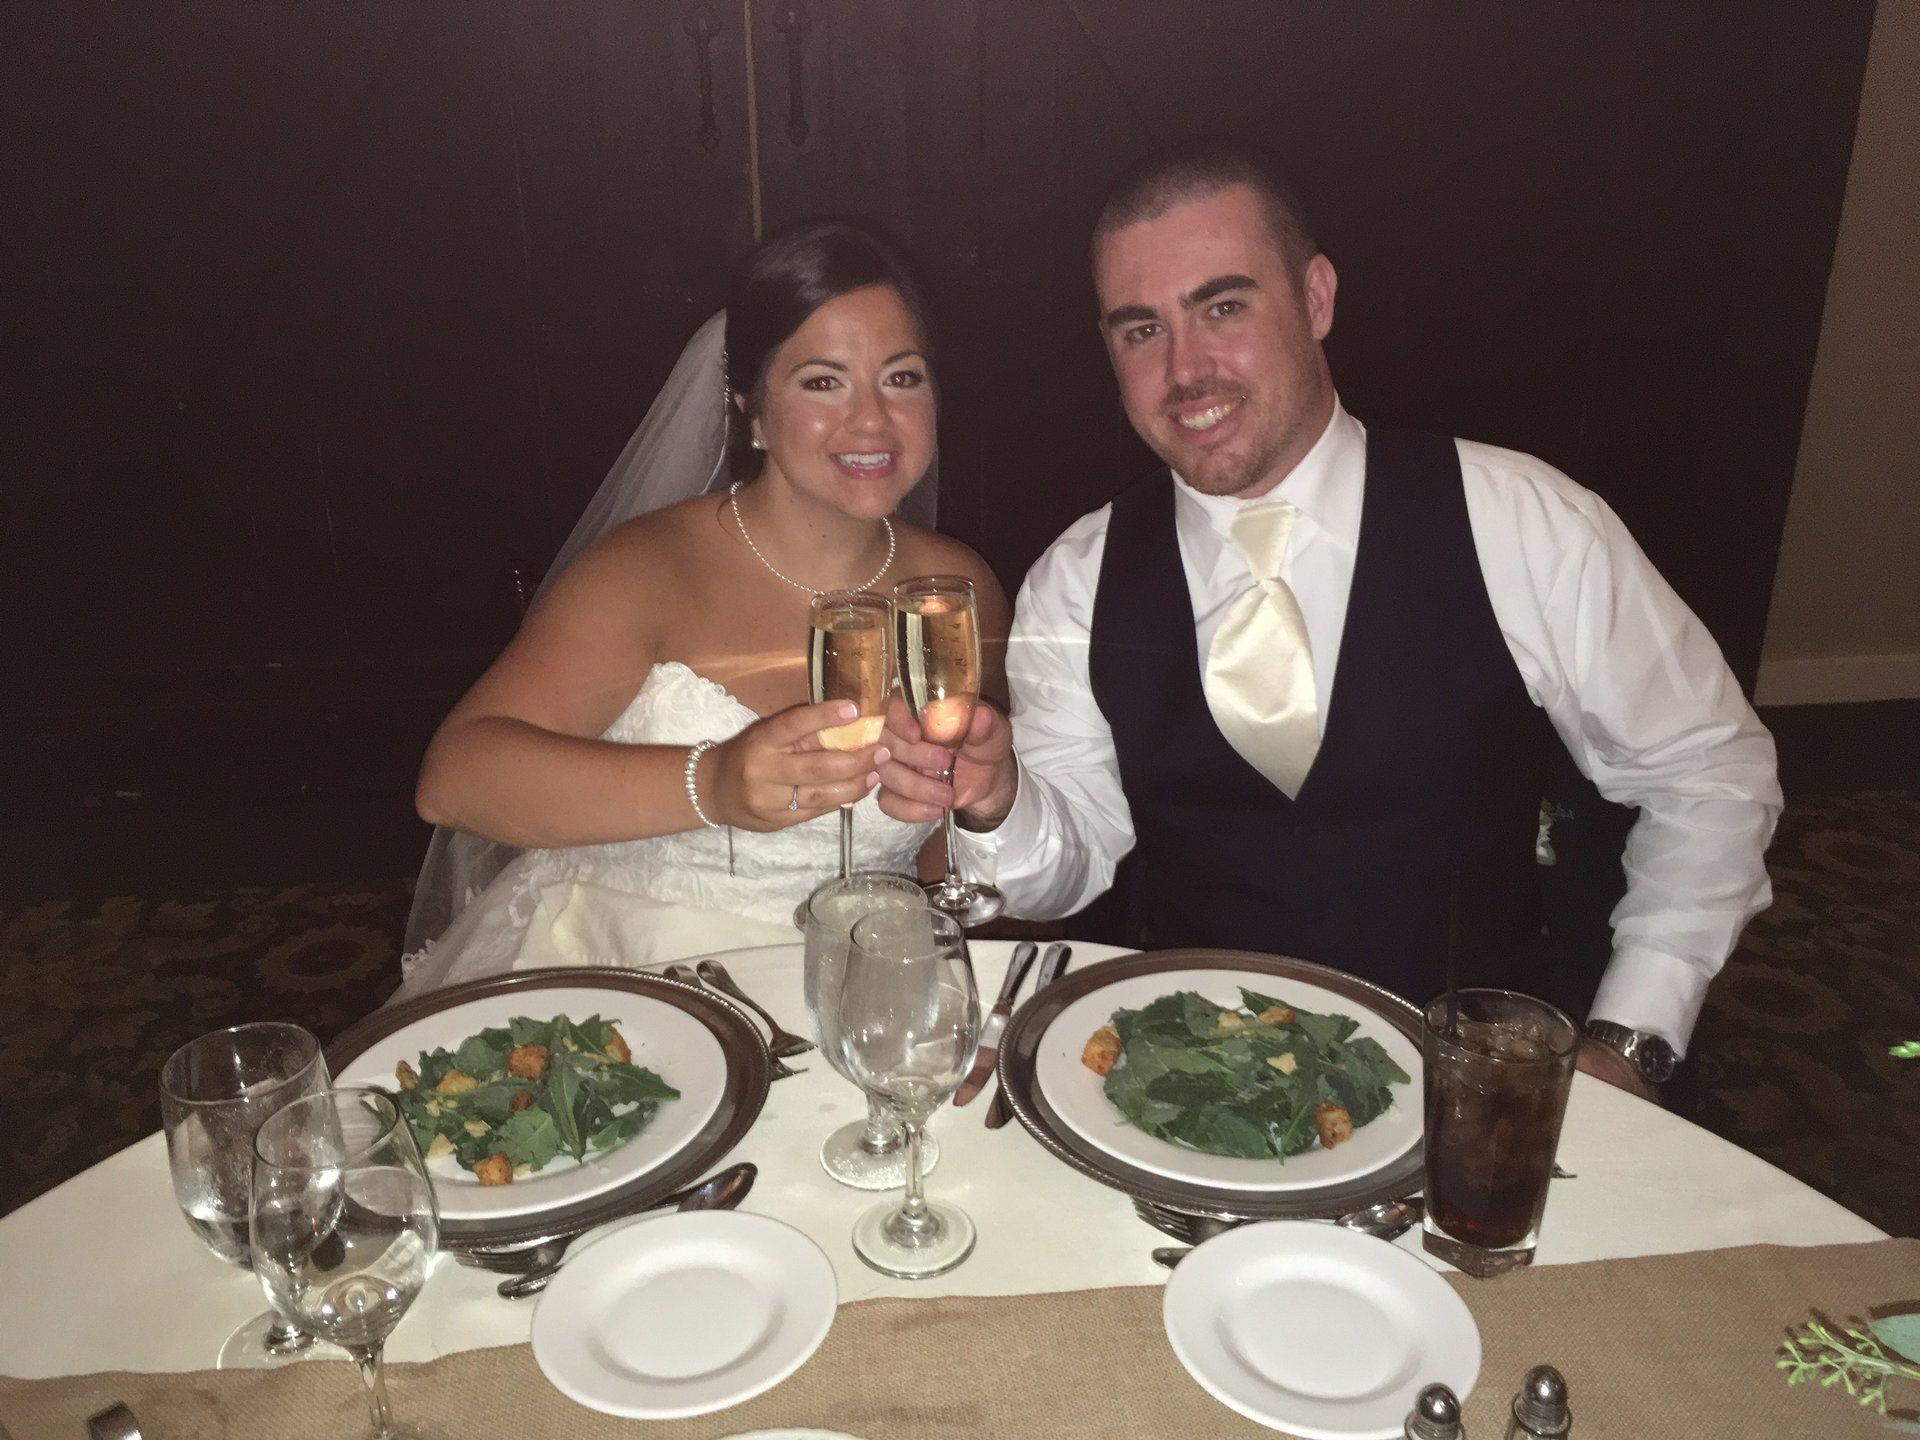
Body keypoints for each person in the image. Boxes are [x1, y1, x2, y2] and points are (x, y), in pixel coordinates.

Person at [877, 140, 1780, 1097]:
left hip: (1468, 1094)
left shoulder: (1518, 517)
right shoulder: (1078, 575)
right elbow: (1069, 868)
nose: (1187, 369)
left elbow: (1709, 772)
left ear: (1315, 298)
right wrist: (1000, 798)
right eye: (1141, 330)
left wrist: (1633, 1036)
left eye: (1223, 307)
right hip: (1182, 1092)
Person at [399, 218, 1008, 996]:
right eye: (823, 381)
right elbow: (454, 779)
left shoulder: (956, 593)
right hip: (628, 975)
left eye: (902, 377)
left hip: (866, 984)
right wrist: (711, 783)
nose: (871, 421)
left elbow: (945, 836)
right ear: (751, 407)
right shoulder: (647, 570)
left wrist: (973, 823)